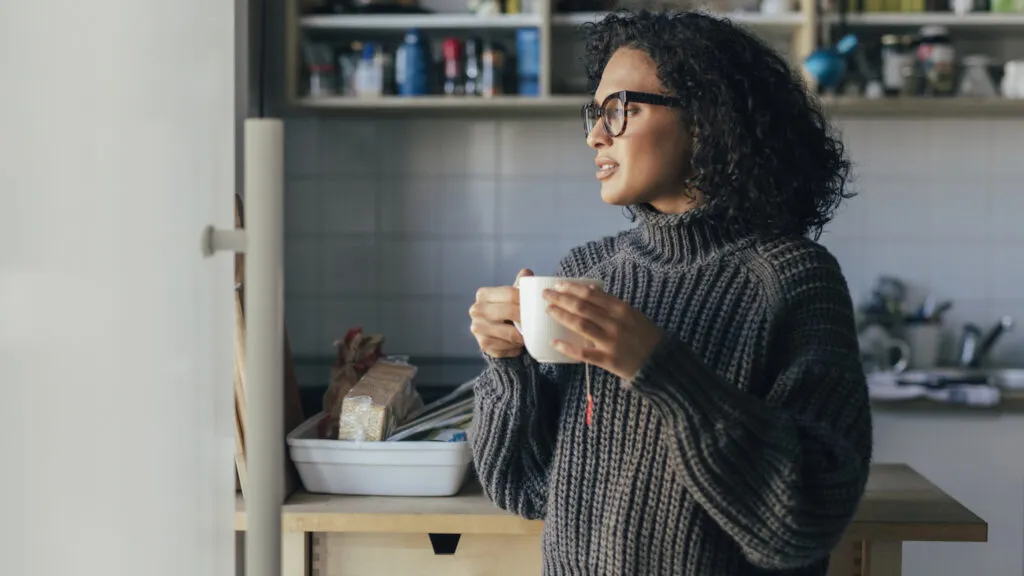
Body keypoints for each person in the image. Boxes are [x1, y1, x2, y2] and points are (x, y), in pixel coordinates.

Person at [467, 9, 871, 576]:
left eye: (619, 110)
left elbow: (806, 519)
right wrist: (508, 367)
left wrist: (659, 367)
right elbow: (525, 489)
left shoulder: (795, 281)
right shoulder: (590, 270)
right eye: (595, 111)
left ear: (705, 120)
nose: (595, 134)